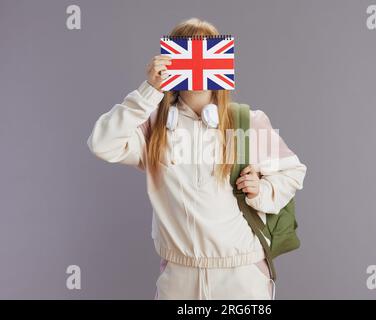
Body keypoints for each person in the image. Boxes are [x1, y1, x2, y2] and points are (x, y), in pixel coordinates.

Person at [86, 17, 307, 300]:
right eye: (185, 54)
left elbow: (293, 171)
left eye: (207, 52)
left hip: (241, 276)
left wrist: (261, 190)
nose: (197, 63)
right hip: (179, 278)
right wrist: (148, 91)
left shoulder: (246, 122)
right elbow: (102, 143)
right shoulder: (153, 128)